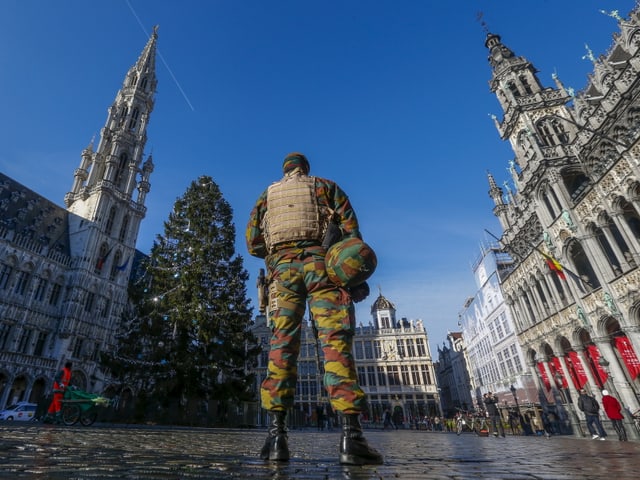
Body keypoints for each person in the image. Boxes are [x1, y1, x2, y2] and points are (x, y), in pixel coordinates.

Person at [246, 152, 383, 465]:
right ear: (305, 169)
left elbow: (253, 243)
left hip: (282, 275)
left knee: (281, 347)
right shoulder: (326, 187)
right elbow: (352, 235)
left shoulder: (266, 196)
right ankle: (352, 438)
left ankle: (276, 437)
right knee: (335, 344)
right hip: (323, 269)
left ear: (285, 172)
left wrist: (281, 254)